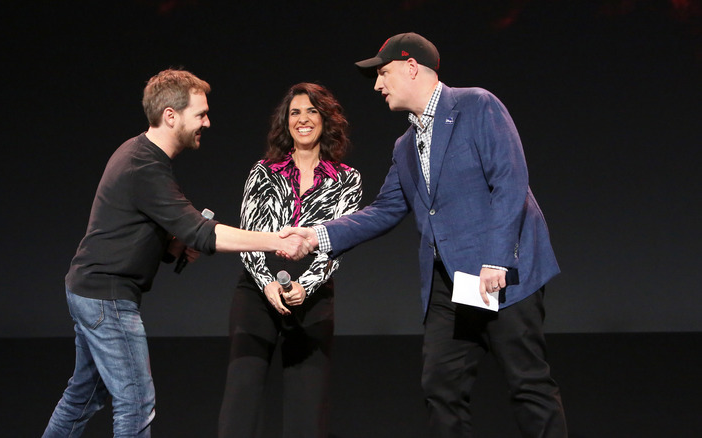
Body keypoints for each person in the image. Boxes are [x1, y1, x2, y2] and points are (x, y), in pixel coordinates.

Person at [281, 33, 567, 437]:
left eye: (383, 73)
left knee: (528, 384)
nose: (378, 85)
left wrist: (495, 258)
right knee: (440, 388)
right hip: (450, 286)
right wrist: (315, 236)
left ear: (411, 67)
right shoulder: (405, 145)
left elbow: (510, 180)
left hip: (501, 274)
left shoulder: (476, 105)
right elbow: (386, 209)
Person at [42, 69, 311, 438]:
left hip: (90, 291)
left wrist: (171, 247)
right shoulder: (145, 165)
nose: (207, 122)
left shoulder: (142, 155)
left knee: (83, 397)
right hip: (106, 298)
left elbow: (141, 229)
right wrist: (276, 240)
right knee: (136, 404)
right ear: (171, 115)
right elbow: (201, 232)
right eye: (200, 114)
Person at [218, 83, 362, 438]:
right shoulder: (264, 172)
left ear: (325, 119)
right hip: (257, 287)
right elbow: (249, 234)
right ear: (285, 122)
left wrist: (306, 285)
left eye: (311, 111)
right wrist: (267, 281)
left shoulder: (348, 181)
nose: (303, 119)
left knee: (306, 407)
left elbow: (338, 245)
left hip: (312, 294)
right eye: (295, 112)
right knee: (241, 396)